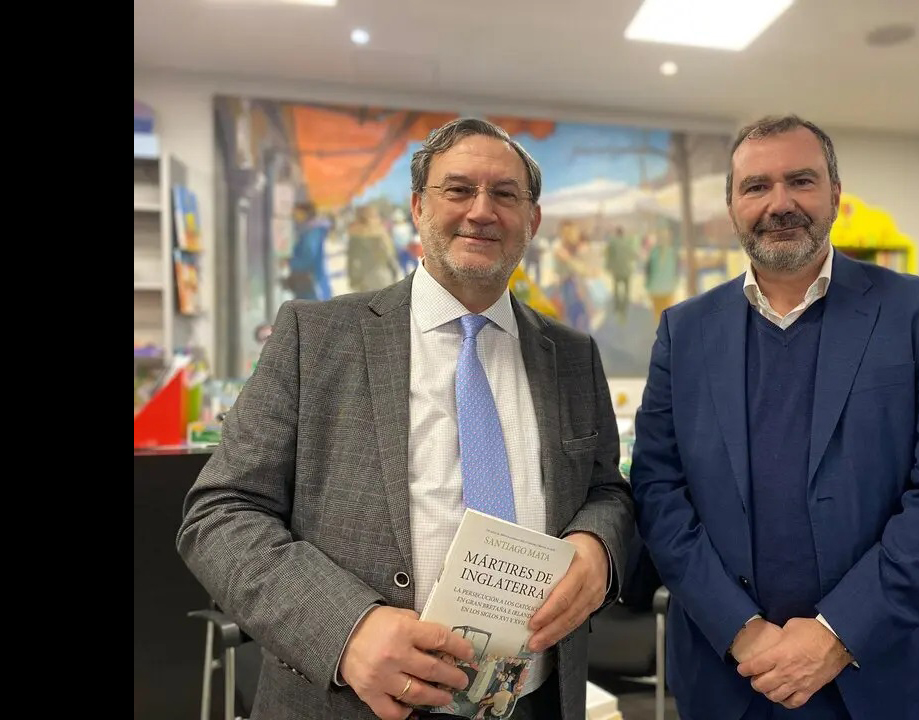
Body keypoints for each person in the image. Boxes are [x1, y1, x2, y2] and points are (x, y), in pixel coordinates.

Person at [177, 117, 635, 720]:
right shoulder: (316, 337)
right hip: (353, 704)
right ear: (419, 207)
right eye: (458, 189)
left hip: (532, 701)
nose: (481, 211)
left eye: (505, 194)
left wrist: (598, 547)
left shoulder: (572, 355)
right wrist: (348, 629)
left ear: (533, 219)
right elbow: (220, 514)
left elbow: (606, 490)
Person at [629, 114, 919, 720]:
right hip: (735, 677)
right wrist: (741, 629)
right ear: (732, 206)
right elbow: (658, 492)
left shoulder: (916, 312)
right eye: (756, 186)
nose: (780, 203)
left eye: (801, 180)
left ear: (835, 194)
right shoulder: (685, 331)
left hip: (890, 674)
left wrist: (838, 632)